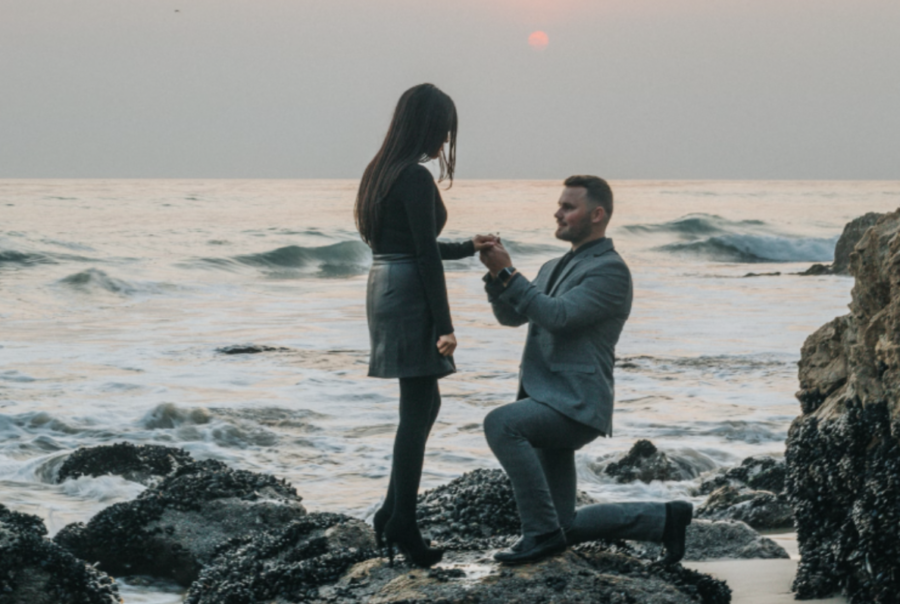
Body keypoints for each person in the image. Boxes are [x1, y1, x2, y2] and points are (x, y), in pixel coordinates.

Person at [478, 175, 693, 565]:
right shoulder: (552, 265)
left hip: (576, 404)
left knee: (501, 424)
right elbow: (512, 316)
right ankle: (664, 520)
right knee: (565, 526)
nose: (557, 213)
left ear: (597, 215)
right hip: (546, 397)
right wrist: (497, 277)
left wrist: (510, 275)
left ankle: (539, 535)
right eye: (559, 204)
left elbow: (558, 316)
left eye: (568, 207)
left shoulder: (610, 271)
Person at [355, 83, 496, 568]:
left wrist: (465, 247)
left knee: (421, 404)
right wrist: (446, 325)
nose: (445, 143)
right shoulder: (413, 177)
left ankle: (393, 512)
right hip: (410, 292)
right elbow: (422, 258)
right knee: (418, 409)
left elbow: (412, 244)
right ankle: (402, 524)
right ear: (428, 128)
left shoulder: (379, 172)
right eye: (443, 132)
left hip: (384, 285)